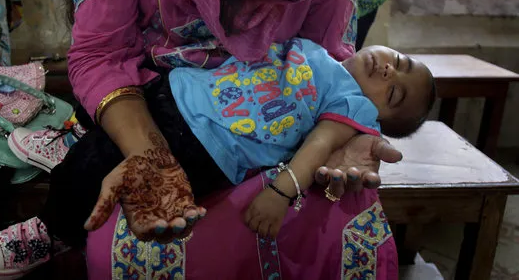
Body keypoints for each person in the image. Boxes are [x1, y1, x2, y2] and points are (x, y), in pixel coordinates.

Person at [0, 0, 404, 278]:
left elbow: (328, 60)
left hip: (273, 136)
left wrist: (334, 140)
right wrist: (150, 153)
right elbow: (101, 54)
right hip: (153, 112)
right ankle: (56, 225)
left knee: (335, 236)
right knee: (126, 218)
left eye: (287, 2)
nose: (262, 26)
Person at [168, 40, 434, 238]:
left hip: (207, 149)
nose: (389, 70)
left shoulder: (353, 105)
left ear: (376, 119)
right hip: (182, 89)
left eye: (393, 94)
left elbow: (321, 143)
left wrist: (281, 192)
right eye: (399, 61)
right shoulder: (325, 53)